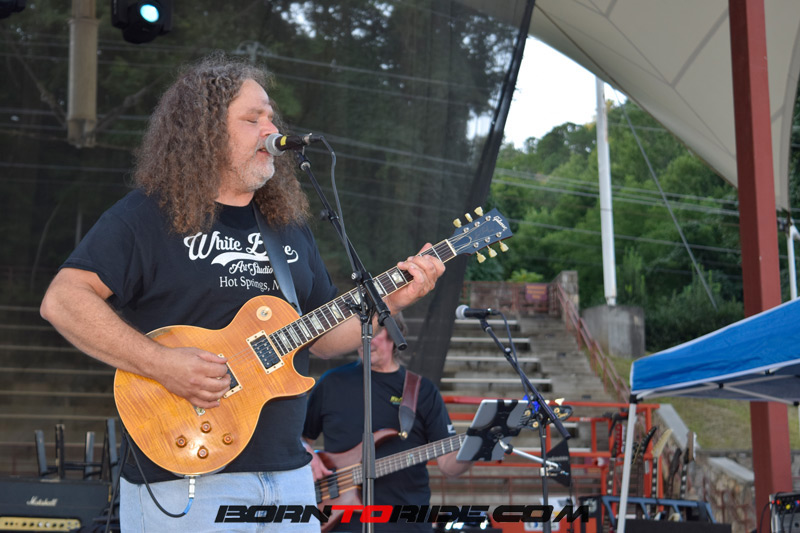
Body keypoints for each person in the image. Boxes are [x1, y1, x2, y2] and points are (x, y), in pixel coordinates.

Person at [39, 53, 444, 532]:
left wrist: (388, 300)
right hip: (186, 478)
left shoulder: (287, 228)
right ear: (204, 131)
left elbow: (322, 338)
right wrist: (161, 363)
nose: (271, 130)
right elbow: (64, 299)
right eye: (253, 119)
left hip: (290, 478)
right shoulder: (148, 215)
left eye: (271, 117)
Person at [303, 313, 472, 532]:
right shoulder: (331, 383)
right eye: (360, 332)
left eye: (373, 331)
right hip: (343, 523)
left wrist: (476, 447)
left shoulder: (422, 391)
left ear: (394, 334)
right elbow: (300, 438)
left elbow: (448, 466)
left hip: (407, 523)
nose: (365, 339)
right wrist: (306, 451)